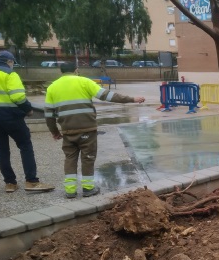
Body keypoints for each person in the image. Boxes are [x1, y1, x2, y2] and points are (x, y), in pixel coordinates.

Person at [44, 63, 145, 199]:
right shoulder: (84, 82)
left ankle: (70, 190)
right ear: (76, 70)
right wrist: (131, 99)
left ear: (60, 71)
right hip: (87, 129)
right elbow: (107, 96)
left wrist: (54, 131)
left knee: (70, 158)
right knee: (88, 158)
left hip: (68, 131)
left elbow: (49, 115)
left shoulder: (52, 87)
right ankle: (88, 188)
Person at [0, 50, 55, 193]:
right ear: (9, 62)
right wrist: (27, 109)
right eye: (13, 64)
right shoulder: (9, 74)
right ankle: (31, 181)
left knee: (2, 149)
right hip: (11, 116)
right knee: (25, 145)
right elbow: (17, 96)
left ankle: (10, 183)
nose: (13, 66)